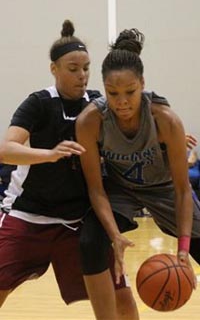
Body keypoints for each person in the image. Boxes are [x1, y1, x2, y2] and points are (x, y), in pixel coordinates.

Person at [0, 19, 139, 318]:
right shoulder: (38, 103)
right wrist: (49, 154)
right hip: (29, 213)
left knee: (122, 299)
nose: (82, 75)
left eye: (87, 68)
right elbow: (6, 150)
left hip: (79, 219)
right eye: (73, 69)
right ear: (54, 69)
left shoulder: (100, 105)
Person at [76, 28, 200, 319]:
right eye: (112, 93)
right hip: (121, 190)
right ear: (103, 88)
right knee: (90, 242)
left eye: (130, 92)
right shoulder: (90, 122)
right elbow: (96, 189)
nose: (121, 102)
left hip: (165, 189)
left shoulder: (165, 120)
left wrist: (182, 249)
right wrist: (113, 235)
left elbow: (183, 190)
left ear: (142, 84)